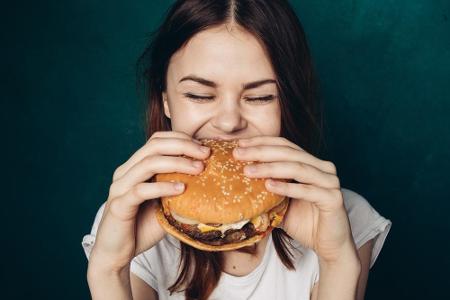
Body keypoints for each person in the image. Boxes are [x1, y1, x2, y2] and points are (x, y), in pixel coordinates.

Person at [81, 1, 392, 299]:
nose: (229, 123)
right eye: (200, 95)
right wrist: (108, 270)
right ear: (165, 101)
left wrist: (338, 262)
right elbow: (111, 267)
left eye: (260, 97)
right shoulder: (129, 218)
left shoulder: (343, 216)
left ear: (288, 104)